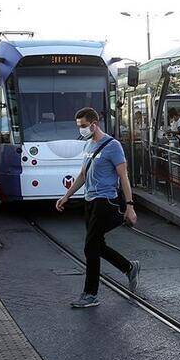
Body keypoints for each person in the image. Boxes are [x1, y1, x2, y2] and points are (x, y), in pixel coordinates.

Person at [56, 107, 140, 308]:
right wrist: (66, 196)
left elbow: (124, 176)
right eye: (79, 126)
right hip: (90, 201)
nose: (82, 129)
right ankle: (129, 267)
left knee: (90, 247)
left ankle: (90, 294)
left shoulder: (113, 146)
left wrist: (130, 206)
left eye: (84, 126)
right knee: (97, 244)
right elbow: (83, 175)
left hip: (106, 201)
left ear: (94, 124)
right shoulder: (88, 146)